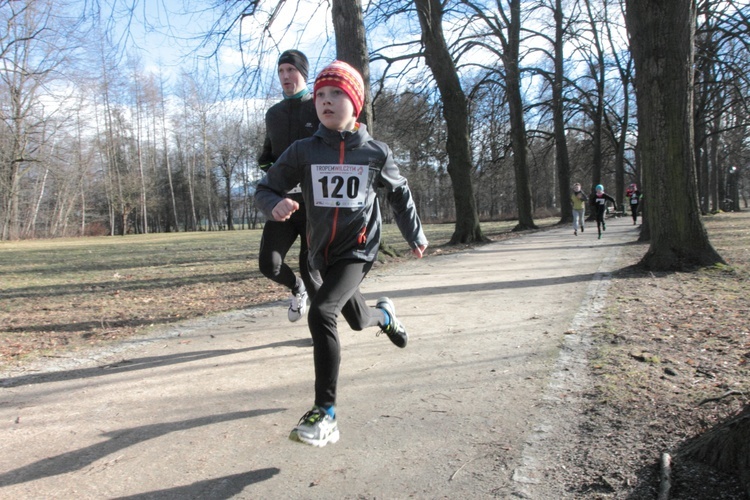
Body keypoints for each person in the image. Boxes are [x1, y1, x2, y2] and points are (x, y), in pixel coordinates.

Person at [256, 60, 429, 447]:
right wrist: (274, 205)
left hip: (357, 250)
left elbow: (399, 193)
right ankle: (384, 316)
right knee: (356, 319)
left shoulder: (375, 153)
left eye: (336, 93)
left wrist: (414, 233)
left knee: (322, 313)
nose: (326, 100)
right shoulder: (303, 151)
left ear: (356, 102)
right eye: (320, 94)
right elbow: (265, 187)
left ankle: (326, 413)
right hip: (322, 254)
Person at [257, 50, 321, 322]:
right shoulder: (273, 114)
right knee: (268, 265)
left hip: (314, 207)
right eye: (281, 71)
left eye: (291, 70)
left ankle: (321, 329)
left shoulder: (318, 105)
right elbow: (266, 157)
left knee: (311, 268)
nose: (285, 76)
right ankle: (297, 289)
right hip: (283, 205)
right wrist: (273, 174)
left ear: (303, 74)